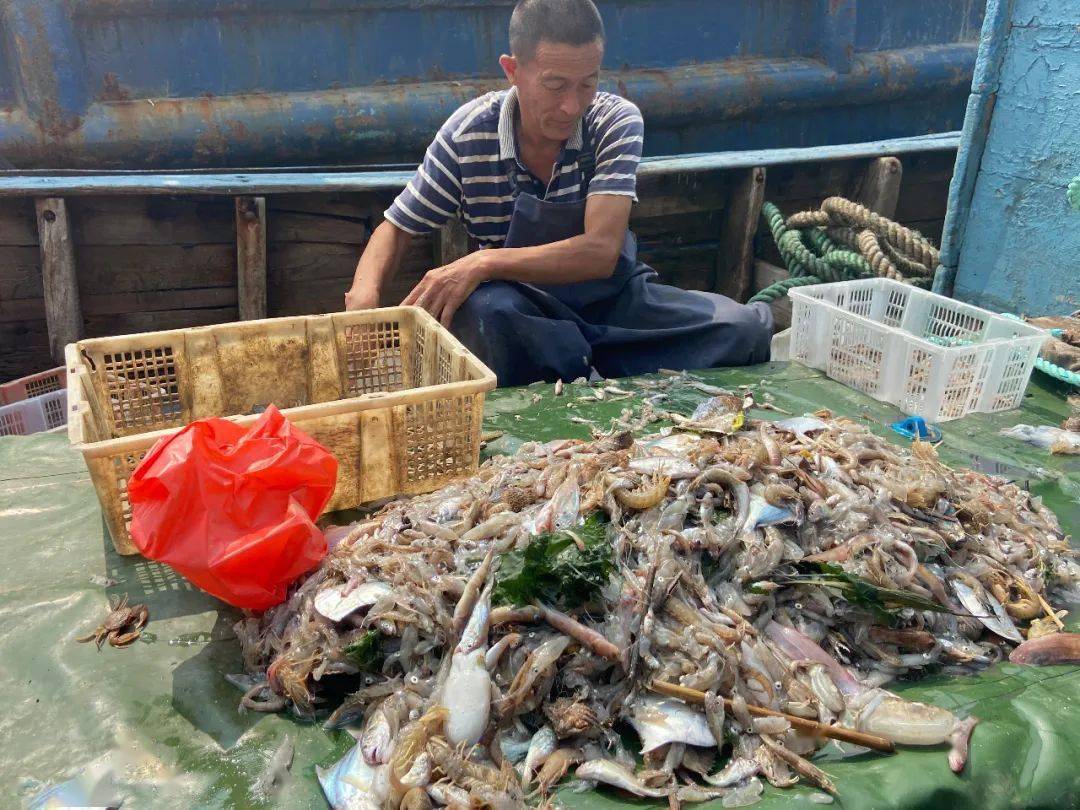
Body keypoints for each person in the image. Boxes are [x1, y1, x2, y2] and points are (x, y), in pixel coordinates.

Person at [345, 0, 772, 386]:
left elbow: (601, 252)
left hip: (615, 301)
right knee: (488, 315)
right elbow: (397, 227)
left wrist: (483, 260)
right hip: (522, 311)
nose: (572, 105)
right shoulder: (467, 133)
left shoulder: (616, 122)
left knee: (743, 331)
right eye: (555, 85)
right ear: (513, 70)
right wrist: (364, 299)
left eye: (587, 84)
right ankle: (587, 365)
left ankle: (585, 362)